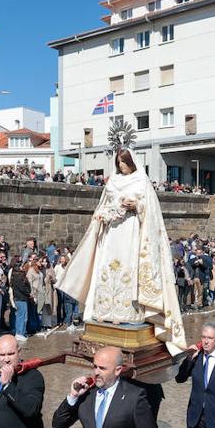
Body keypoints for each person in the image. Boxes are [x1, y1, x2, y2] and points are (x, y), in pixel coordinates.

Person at [57, 145, 186, 352]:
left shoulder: (142, 181)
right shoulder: (113, 181)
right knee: (106, 266)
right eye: (119, 163)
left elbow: (151, 212)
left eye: (125, 163)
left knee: (128, 267)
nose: (122, 166)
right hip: (112, 232)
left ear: (132, 162)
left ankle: (127, 313)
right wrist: (102, 214)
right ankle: (104, 311)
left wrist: (136, 206)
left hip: (132, 229)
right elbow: (104, 205)